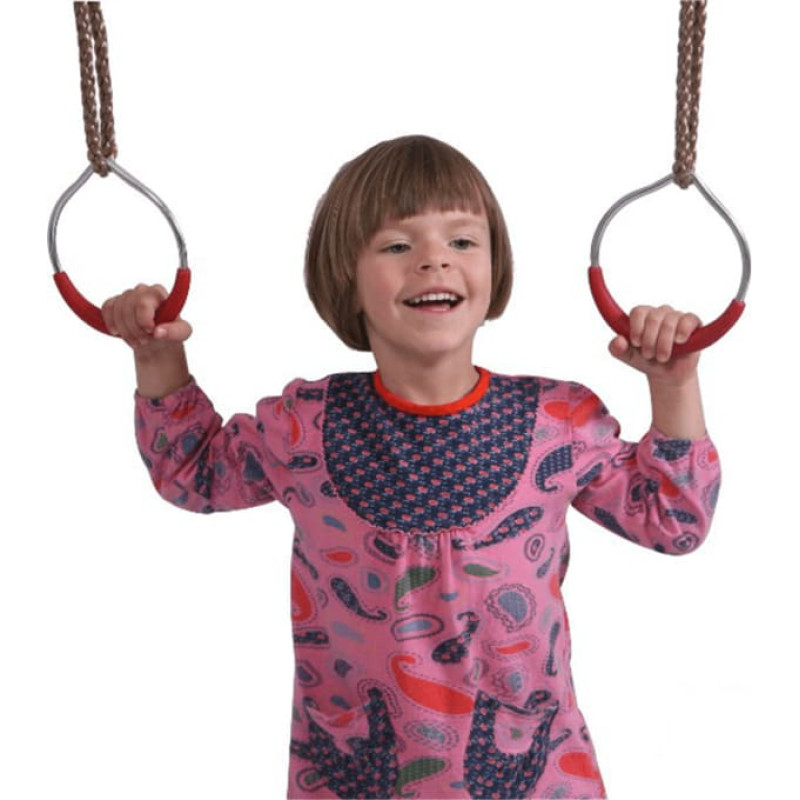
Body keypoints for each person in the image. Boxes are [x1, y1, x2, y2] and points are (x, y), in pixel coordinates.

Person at [102, 135, 720, 799]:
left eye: (462, 241)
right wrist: (154, 354)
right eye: (397, 246)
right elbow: (192, 472)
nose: (433, 260)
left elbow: (673, 521)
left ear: (495, 268)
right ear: (347, 279)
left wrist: (674, 383)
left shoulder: (558, 423)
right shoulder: (303, 426)